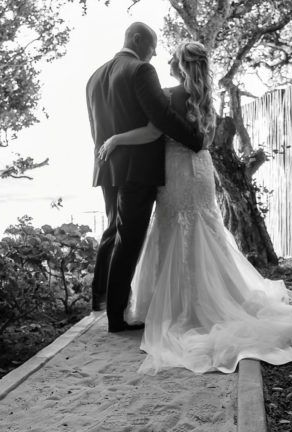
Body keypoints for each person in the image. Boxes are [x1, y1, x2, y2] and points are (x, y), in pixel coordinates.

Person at [98, 41, 292, 375]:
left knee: (175, 229)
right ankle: (214, 298)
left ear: (181, 65)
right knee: (204, 230)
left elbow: (153, 131)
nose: (166, 60)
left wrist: (116, 139)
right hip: (200, 171)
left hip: (174, 171)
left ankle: (184, 308)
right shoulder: (206, 97)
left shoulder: (169, 95)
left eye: (172, 57)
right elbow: (205, 140)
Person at [86, 22, 204, 333]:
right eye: (152, 48)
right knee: (130, 241)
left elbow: (98, 128)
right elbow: (161, 118)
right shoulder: (140, 71)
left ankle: (100, 302)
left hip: (107, 165)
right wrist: (195, 141)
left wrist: (109, 151)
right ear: (138, 40)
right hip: (136, 169)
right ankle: (115, 318)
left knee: (112, 233)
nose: (153, 56)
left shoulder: (95, 76)